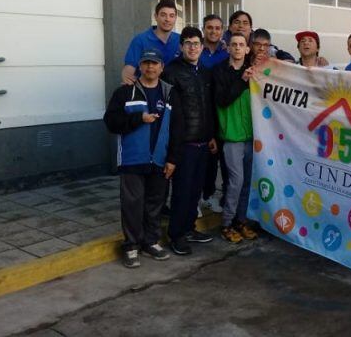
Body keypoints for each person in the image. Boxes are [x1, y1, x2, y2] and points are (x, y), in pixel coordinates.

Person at [104, 49, 182, 268]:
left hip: (160, 159)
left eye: (154, 63)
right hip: (132, 159)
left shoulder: (170, 93)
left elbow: (178, 128)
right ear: (140, 66)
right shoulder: (124, 92)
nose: (150, 67)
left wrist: (172, 159)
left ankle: (151, 241)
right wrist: (139, 118)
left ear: (161, 67)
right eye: (146, 63)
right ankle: (131, 246)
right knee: (132, 204)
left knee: (155, 204)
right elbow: (111, 121)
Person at [161, 26, 217, 255]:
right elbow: (169, 113)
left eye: (196, 43)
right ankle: (176, 235)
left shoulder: (205, 72)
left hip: (203, 143)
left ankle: (190, 227)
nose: (192, 47)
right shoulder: (171, 72)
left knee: (195, 192)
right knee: (182, 192)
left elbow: (209, 107)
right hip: (182, 145)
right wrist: (172, 149)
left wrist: (211, 135)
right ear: (181, 46)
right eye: (188, 43)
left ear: (202, 47)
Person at [212, 32, 259, 244]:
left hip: (252, 137)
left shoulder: (256, 72)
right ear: (228, 48)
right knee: (235, 182)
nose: (238, 48)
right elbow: (222, 100)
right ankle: (227, 223)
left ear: (247, 49)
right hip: (231, 137)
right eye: (234, 44)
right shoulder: (220, 71)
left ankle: (241, 221)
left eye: (242, 44)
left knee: (247, 182)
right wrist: (241, 81)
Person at [121, 0, 181, 85]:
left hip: (174, 91)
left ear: (175, 18)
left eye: (171, 16)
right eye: (163, 15)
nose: (167, 19)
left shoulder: (180, 40)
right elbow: (129, 69)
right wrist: (127, 77)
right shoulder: (140, 40)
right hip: (147, 90)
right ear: (156, 17)